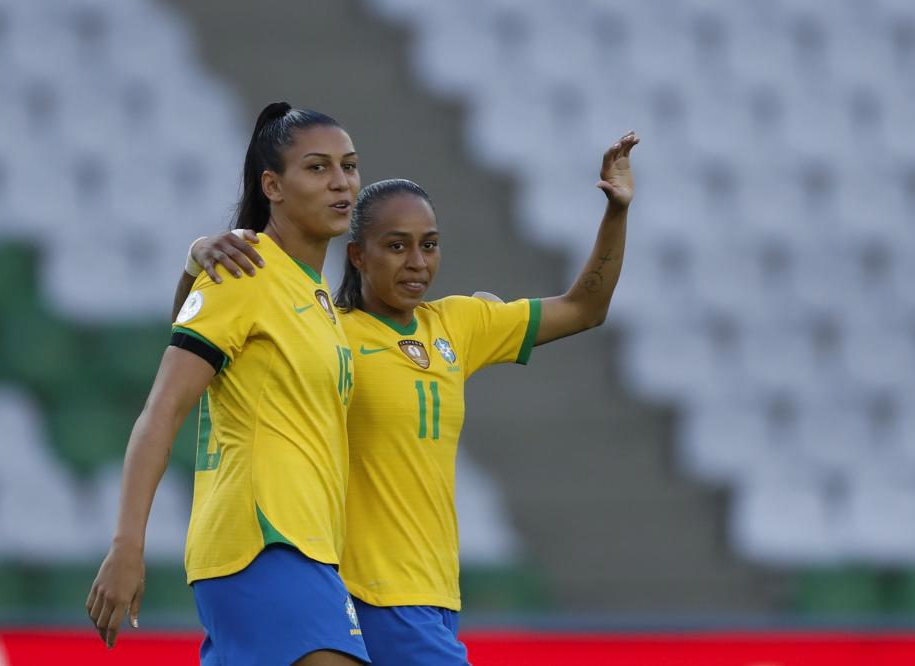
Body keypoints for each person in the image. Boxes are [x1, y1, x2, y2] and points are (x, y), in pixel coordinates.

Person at [183, 132, 639, 664]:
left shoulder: (458, 325)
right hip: (368, 593)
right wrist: (196, 260)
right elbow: (200, 347)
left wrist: (617, 212)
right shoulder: (327, 333)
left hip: (436, 594)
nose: (417, 262)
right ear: (357, 254)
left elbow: (586, 308)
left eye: (429, 244)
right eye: (396, 246)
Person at [87, 102, 371, 666]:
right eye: (317, 168)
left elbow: (189, 323)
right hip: (264, 543)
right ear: (273, 185)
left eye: (349, 165)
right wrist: (126, 544)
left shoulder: (315, 296)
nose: (341, 182)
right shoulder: (247, 271)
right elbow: (162, 409)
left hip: (304, 549)